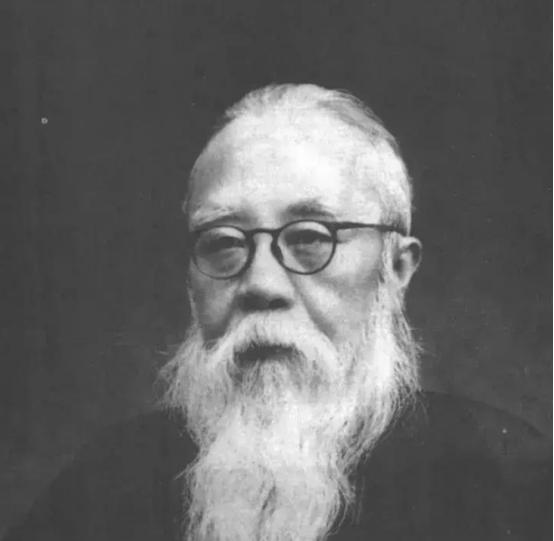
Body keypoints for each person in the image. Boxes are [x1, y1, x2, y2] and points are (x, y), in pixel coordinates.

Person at [4, 84, 550, 541]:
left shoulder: (512, 480)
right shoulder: (105, 482)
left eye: (311, 238)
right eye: (223, 242)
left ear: (396, 268)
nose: (261, 284)